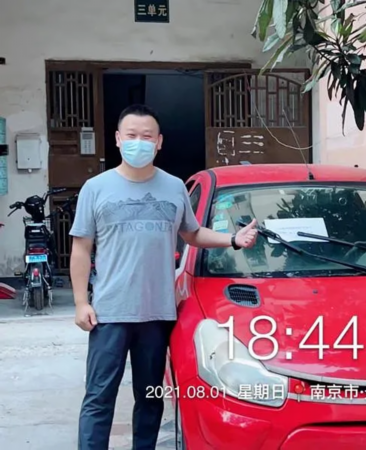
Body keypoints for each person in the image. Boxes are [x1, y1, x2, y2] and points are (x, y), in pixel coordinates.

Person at [69, 104, 258, 450]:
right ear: (118, 139)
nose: (138, 142)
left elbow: (192, 233)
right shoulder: (95, 188)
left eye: (147, 136)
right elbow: (81, 248)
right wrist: (82, 302)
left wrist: (233, 239)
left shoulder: (173, 187)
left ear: (159, 142)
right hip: (110, 312)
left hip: (157, 314)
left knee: (150, 397)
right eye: (131, 135)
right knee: (99, 397)